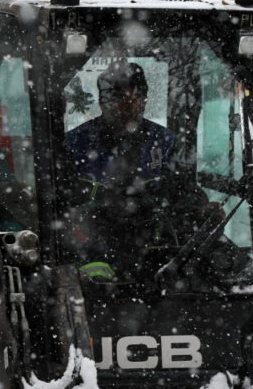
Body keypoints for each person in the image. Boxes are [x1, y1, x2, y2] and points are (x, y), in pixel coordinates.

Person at [63, 60, 221, 281]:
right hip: (93, 252)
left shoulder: (162, 140)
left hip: (153, 250)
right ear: (103, 101)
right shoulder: (76, 143)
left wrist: (201, 208)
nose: (130, 105)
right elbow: (63, 202)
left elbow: (180, 187)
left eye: (138, 97)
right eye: (120, 98)